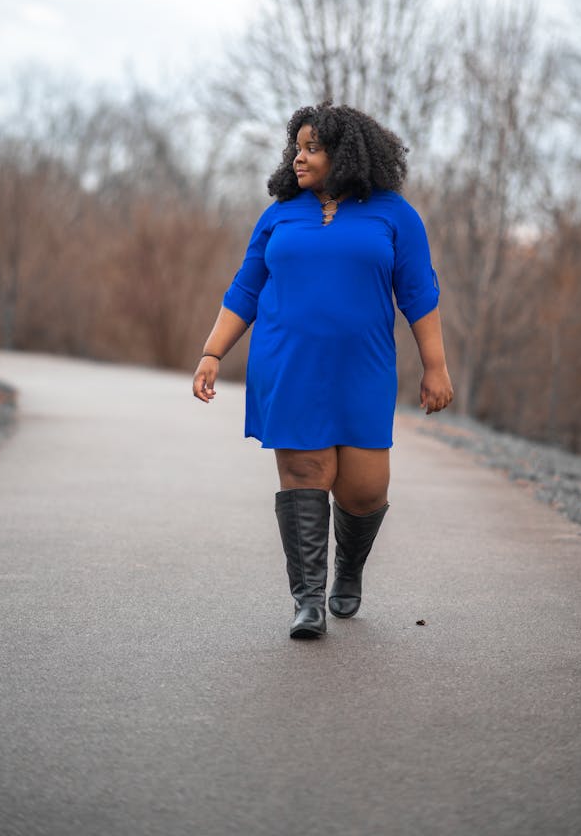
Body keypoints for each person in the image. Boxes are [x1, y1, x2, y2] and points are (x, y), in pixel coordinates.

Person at [192, 102, 454, 640]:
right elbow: (245, 289)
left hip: (363, 369)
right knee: (304, 476)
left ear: (346, 152)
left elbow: (419, 294)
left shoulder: (393, 213)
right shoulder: (280, 214)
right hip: (289, 366)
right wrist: (212, 352)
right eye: (296, 148)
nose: (298, 158)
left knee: (363, 491)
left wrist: (436, 367)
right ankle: (307, 601)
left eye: (312, 148)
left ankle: (348, 570)